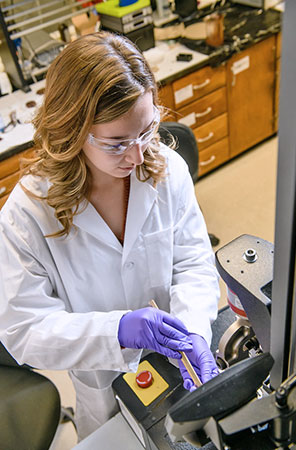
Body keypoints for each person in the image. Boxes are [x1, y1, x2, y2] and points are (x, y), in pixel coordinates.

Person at [0, 32, 220, 441]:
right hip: (103, 396)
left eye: (147, 129)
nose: (138, 156)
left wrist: (194, 331)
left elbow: (193, 260)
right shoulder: (26, 214)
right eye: (117, 144)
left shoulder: (166, 168)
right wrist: (115, 331)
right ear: (72, 130)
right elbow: (23, 331)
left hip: (176, 371)